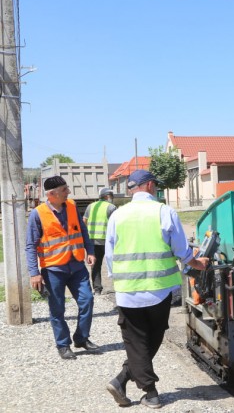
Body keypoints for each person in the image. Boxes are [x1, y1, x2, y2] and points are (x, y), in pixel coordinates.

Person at [104, 170, 209, 409]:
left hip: (128, 291)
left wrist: (118, 279)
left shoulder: (117, 216)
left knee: (136, 341)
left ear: (132, 188)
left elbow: (110, 256)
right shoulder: (164, 212)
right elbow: (182, 252)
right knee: (153, 337)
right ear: (150, 185)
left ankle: (123, 380)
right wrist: (199, 264)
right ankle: (150, 392)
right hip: (159, 291)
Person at [25, 175, 99, 360]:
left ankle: (81, 338)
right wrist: (34, 273)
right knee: (57, 309)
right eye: (65, 189)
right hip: (53, 270)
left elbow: (83, 231)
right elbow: (30, 245)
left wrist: (90, 251)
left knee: (87, 300)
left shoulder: (72, 206)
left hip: (76, 266)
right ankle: (63, 345)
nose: (69, 192)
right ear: (52, 194)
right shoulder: (38, 213)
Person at [83, 187, 117, 295]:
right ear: (107, 196)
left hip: (92, 241)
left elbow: (84, 220)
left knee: (95, 265)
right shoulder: (111, 207)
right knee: (114, 263)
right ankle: (118, 287)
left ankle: (97, 290)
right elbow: (116, 223)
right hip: (107, 241)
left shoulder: (90, 206)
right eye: (111, 196)